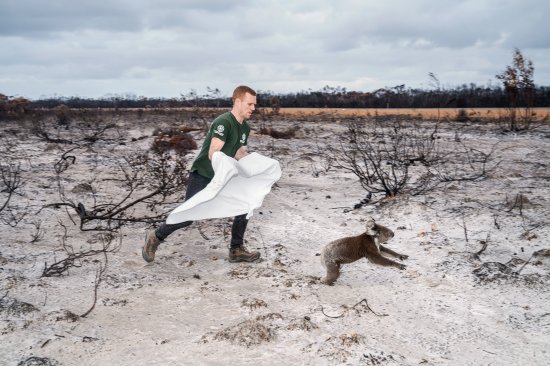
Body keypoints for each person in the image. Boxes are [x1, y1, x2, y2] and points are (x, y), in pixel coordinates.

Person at [142, 85, 261, 263]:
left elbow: (238, 153)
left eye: (254, 105)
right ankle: (155, 237)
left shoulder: (245, 128)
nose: (253, 108)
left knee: (246, 204)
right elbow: (213, 152)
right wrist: (225, 164)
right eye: (250, 104)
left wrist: (252, 163)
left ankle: (236, 250)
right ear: (238, 102)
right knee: (189, 215)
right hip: (204, 174)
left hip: (224, 176)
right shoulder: (224, 122)